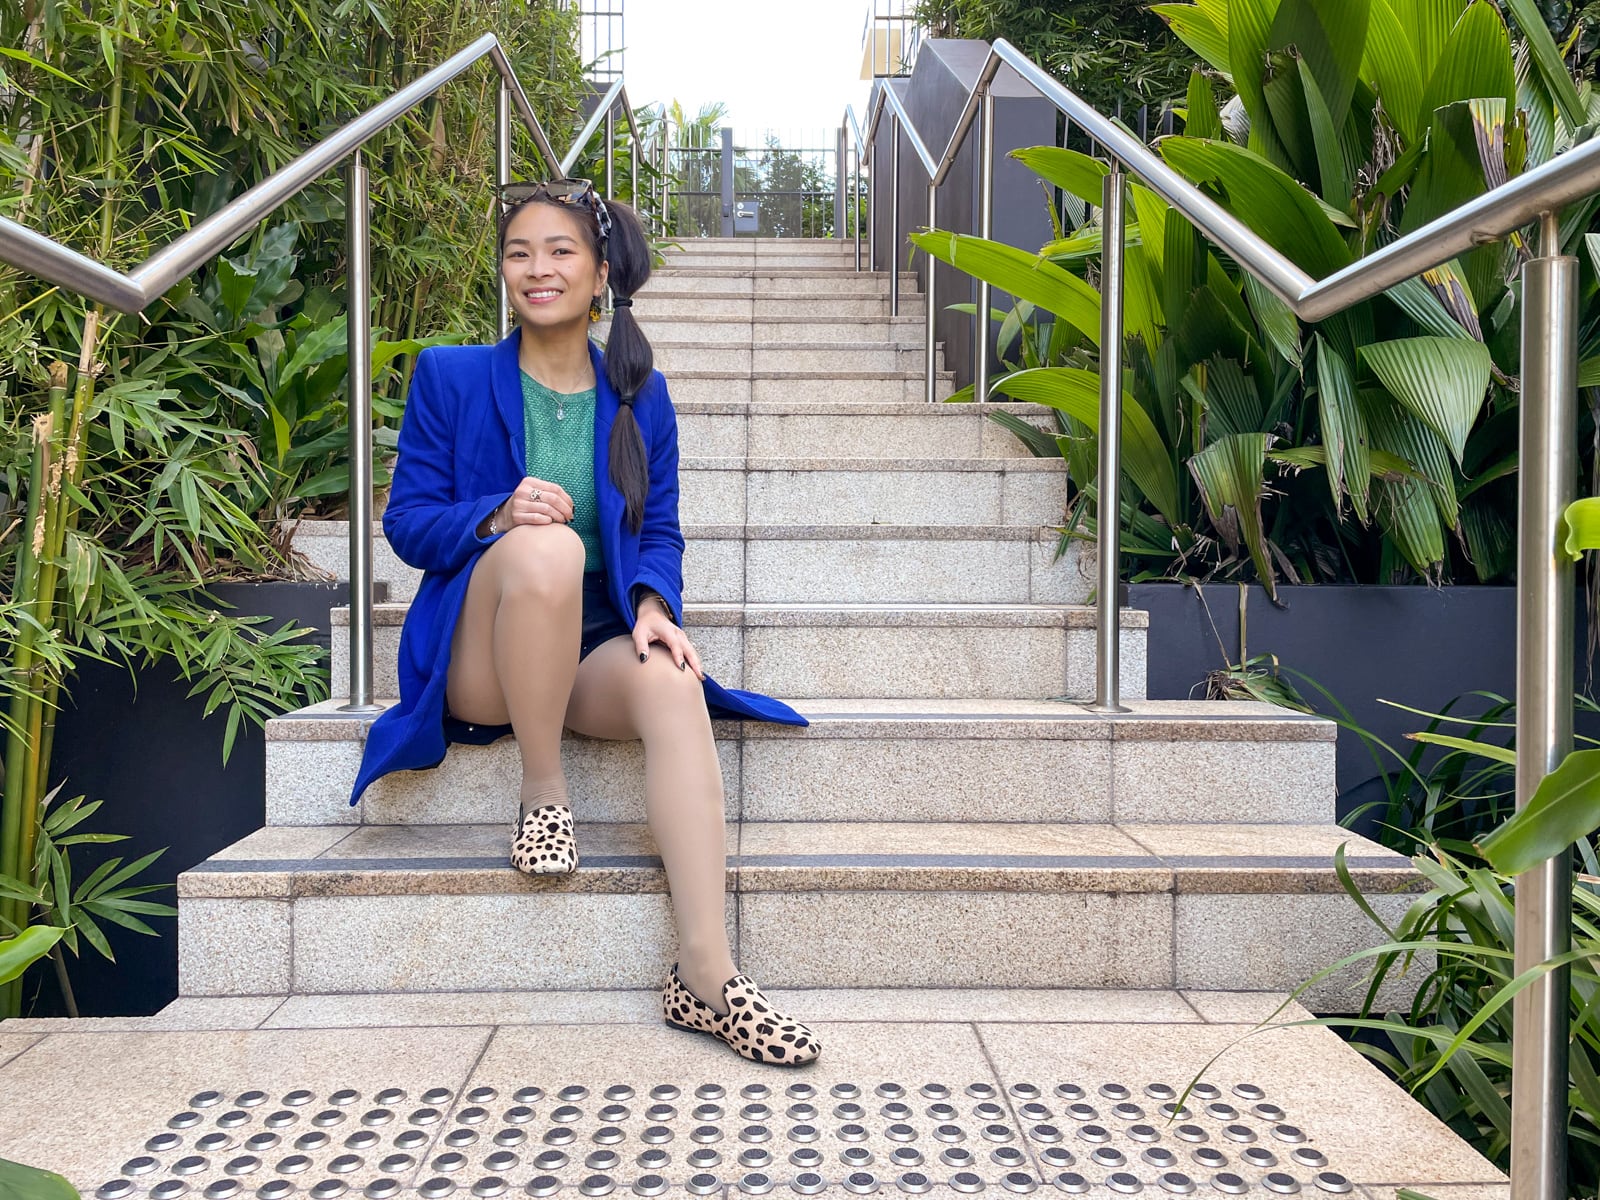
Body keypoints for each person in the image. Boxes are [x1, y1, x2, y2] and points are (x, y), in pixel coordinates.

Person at [346, 178, 821, 1066]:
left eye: (560, 252)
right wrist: (495, 514)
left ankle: (705, 975)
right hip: (484, 653)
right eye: (519, 252)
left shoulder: (640, 393)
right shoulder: (449, 377)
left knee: (674, 686)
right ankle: (543, 791)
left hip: (590, 647)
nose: (537, 269)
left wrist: (652, 605)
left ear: (600, 274)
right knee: (549, 547)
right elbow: (407, 524)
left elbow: (663, 528)